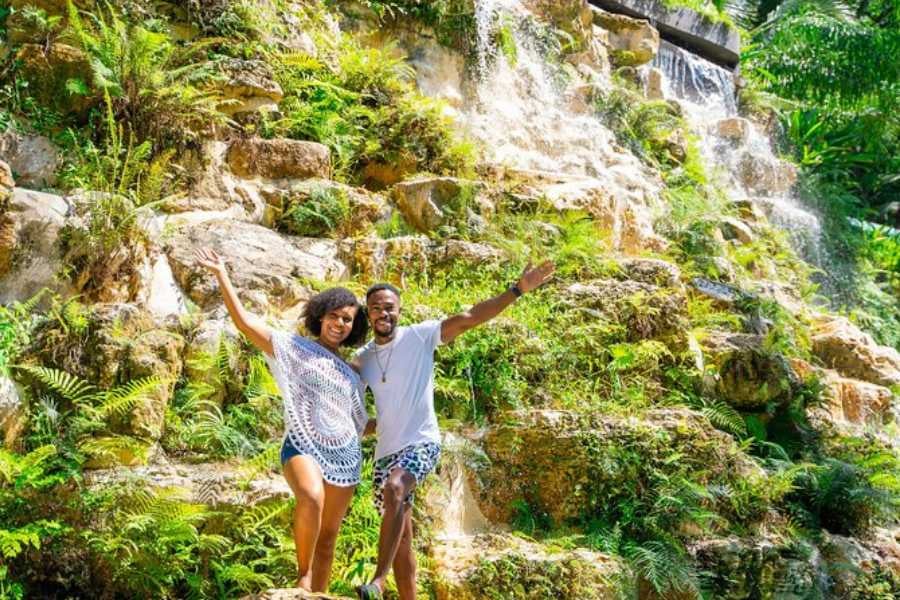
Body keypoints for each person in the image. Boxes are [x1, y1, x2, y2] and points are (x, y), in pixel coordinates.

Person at [354, 261, 555, 600]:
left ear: (399, 310)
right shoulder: (363, 358)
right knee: (401, 540)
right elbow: (354, 404)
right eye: (376, 308)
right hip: (385, 450)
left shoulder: (419, 337)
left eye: (389, 307)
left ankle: (378, 581)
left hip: (420, 442)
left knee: (395, 489)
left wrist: (517, 290)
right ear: (368, 314)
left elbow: (469, 317)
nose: (383, 313)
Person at [194, 248, 374, 592]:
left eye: (347, 320)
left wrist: (397, 421)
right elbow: (246, 323)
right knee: (310, 496)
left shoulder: (352, 373)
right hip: (303, 443)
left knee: (329, 537)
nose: (339, 324)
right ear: (320, 316)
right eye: (334, 315)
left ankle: (318, 595)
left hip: (346, 456)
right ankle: (302, 578)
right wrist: (222, 275)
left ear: (354, 327)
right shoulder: (294, 347)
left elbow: (359, 423)